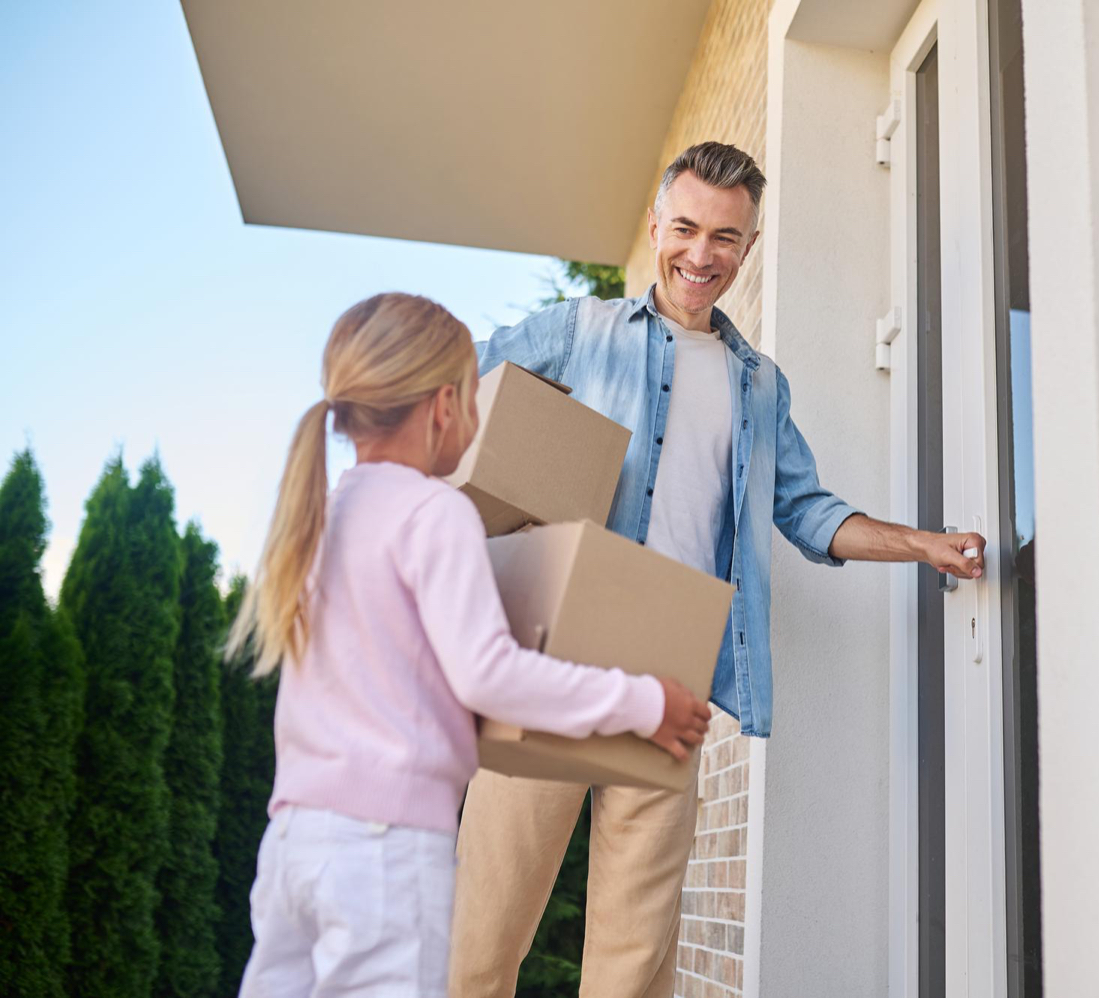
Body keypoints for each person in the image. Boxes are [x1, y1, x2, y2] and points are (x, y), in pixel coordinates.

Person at [450, 143, 986, 997]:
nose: (702, 255)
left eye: (727, 238)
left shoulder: (759, 386)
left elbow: (806, 510)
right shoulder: (579, 332)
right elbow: (454, 389)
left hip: (672, 663)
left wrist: (920, 543)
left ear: (751, 243)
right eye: (688, 229)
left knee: (635, 959)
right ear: (657, 225)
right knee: (483, 933)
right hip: (550, 652)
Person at [228, 292, 711, 997]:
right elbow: (491, 677)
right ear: (445, 406)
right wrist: (642, 701)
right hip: (385, 853)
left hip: (295, 844)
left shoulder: (318, 516)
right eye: (478, 396)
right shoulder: (435, 513)